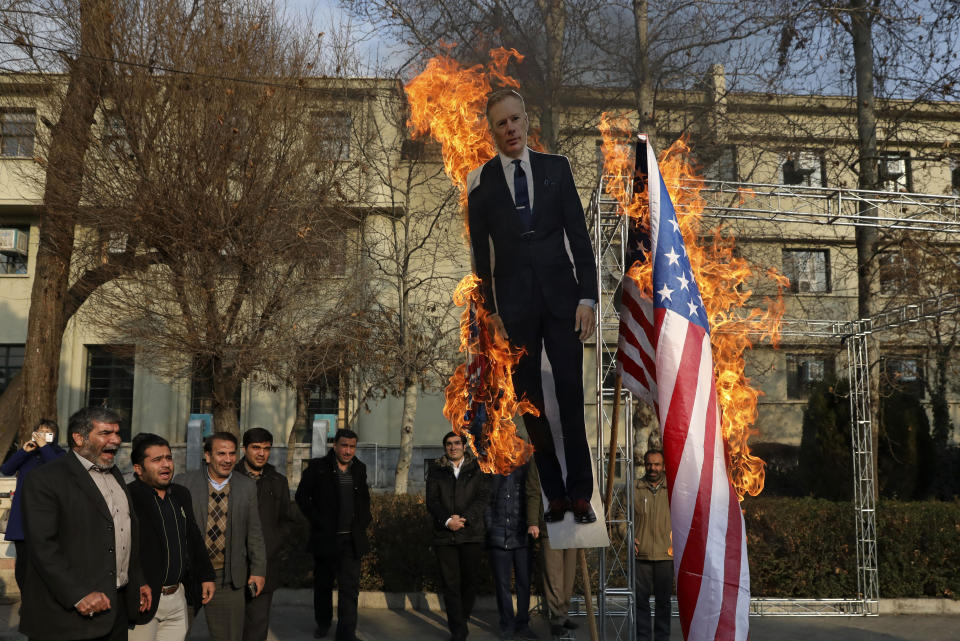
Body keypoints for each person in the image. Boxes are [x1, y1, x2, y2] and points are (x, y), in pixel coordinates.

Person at [467, 88, 598, 524]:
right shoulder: (481, 183)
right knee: (531, 402)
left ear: (527, 121)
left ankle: (581, 492)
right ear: (492, 131)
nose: (510, 129)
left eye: (515, 120)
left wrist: (587, 297)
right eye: (501, 123)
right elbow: (480, 260)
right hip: (515, 312)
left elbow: (580, 238)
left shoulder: (556, 170)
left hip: (563, 303)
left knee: (569, 395)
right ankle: (555, 494)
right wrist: (490, 313)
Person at [19, 407, 151, 641]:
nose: (116, 440)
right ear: (78, 438)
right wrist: (78, 595)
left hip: (115, 612)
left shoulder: (115, 473)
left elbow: (123, 532)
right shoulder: (46, 479)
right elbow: (43, 547)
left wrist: (135, 580)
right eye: (106, 433)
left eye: (118, 433)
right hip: (67, 620)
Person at [175, 432, 266, 641]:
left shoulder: (247, 487)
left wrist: (259, 570)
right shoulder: (184, 483)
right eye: (221, 453)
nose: (227, 459)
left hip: (227, 578)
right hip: (188, 577)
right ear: (207, 456)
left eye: (232, 454)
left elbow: (254, 532)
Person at [128, 433, 216, 641]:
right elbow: (123, 548)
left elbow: (193, 537)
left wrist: (206, 575)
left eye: (168, 458)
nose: (166, 464)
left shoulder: (180, 494)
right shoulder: (128, 497)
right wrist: (137, 583)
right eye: (157, 460)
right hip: (144, 598)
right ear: (138, 469)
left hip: (177, 597)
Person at [295, 428, 371, 641]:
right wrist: (318, 521)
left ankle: (346, 633)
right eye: (344, 446)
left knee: (350, 589)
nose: (348, 451)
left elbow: (364, 499)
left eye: (352, 447)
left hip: (351, 541)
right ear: (335, 446)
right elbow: (302, 497)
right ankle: (323, 622)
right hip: (326, 538)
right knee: (323, 585)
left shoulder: (359, 469)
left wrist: (364, 521)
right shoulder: (318, 467)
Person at [426, 432, 491, 641]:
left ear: (464, 446)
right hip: (445, 536)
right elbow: (432, 501)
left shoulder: (478, 468)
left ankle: (462, 620)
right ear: (445, 447)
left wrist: (464, 519)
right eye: (448, 444)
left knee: (469, 582)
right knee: (450, 584)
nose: (452, 447)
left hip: (471, 534)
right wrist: (447, 521)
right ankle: (458, 630)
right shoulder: (436, 470)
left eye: (456, 443)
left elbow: (483, 498)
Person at [236, 427, 294, 641]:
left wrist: (269, 547)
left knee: (257, 626)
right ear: (244, 449)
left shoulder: (278, 481)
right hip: (232, 564)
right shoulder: (230, 478)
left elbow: (285, 521)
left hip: (265, 565)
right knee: (231, 627)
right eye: (256, 448)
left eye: (266, 448)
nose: (261, 453)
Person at [1, 418, 65, 588]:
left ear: (54, 435)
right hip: (22, 516)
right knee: (22, 561)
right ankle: (25, 599)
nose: (42, 436)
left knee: (42, 561)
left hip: (46, 516)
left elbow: (58, 470)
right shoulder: (28, 454)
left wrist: (44, 447)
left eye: (47, 433)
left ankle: (39, 600)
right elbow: (6, 470)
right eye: (40, 432)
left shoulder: (59, 454)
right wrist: (23, 451)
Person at [484, 461, 537, 641]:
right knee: (502, 584)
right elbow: (486, 501)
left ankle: (523, 624)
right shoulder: (493, 469)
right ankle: (507, 624)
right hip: (499, 537)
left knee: (524, 583)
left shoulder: (527, 470)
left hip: (522, 536)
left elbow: (533, 497)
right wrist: (491, 528)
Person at [526, 463, 578, 637]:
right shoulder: (539, 458)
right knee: (553, 574)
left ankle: (563, 614)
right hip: (550, 524)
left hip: (572, 525)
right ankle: (556, 618)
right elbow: (533, 492)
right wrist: (533, 522)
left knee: (569, 575)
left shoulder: (573, 454)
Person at [634, 449, 672, 641]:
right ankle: (643, 638)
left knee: (663, 603)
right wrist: (629, 537)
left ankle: (662, 638)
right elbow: (620, 518)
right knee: (641, 602)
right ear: (645, 464)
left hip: (666, 555)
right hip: (642, 556)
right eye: (649, 464)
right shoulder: (635, 487)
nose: (653, 468)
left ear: (663, 466)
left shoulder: (674, 489)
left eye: (657, 464)